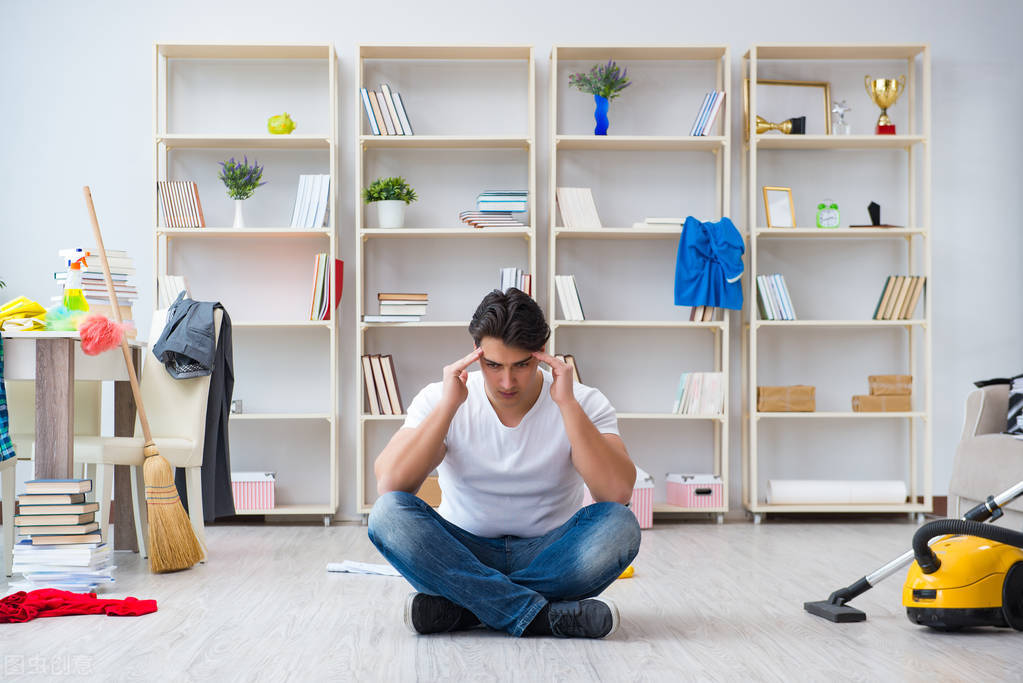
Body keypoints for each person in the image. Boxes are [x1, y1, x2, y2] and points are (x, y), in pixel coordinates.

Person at [369, 288, 640, 639]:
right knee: (387, 514)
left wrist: (567, 406)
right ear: (475, 353)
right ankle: (539, 616)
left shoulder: (583, 402)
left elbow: (616, 492)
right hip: (461, 553)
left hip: (550, 555)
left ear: (542, 354)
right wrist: (448, 408)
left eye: (521, 365)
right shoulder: (441, 397)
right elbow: (391, 483)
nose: (506, 382)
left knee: (620, 525)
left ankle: (465, 608)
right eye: (493, 365)